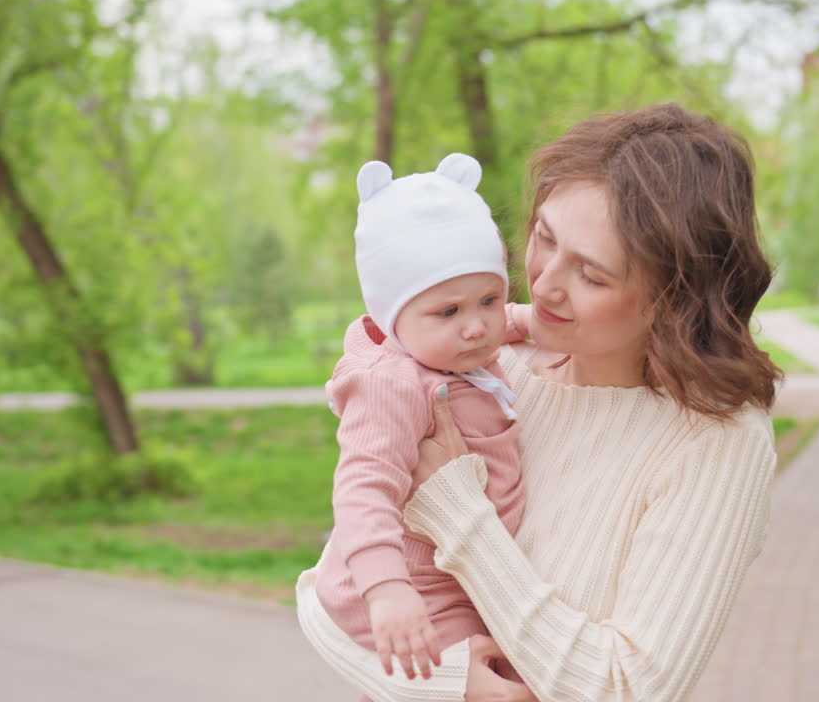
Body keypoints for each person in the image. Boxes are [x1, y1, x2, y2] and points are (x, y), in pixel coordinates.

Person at [296, 104, 782, 701]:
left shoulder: (714, 443)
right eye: (544, 237)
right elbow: (325, 596)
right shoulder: (489, 368)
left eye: (593, 275)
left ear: (674, 299)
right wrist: (445, 685)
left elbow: (626, 689)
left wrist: (460, 515)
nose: (544, 282)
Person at [314, 152, 531, 693]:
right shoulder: (394, 384)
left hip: (455, 574)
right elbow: (364, 486)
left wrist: (541, 322)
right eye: (449, 311)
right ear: (394, 316)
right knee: (465, 679)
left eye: (491, 298)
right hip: (416, 588)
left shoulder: (452, 346)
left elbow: (505, 323)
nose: (477, 328)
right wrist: (387, 590)